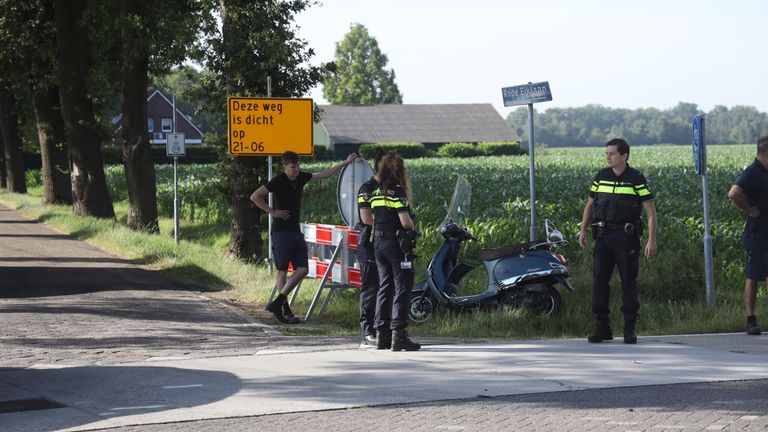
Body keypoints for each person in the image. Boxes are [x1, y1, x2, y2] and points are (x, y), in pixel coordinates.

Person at [251, 150, 357, 324]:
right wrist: (273, 212)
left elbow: (323, 175)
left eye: (298, 165)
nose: (297, 169)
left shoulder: (301, 178)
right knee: (282, 271)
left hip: (295, 232)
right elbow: (255, 196)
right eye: (293, 166)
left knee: (303, 269)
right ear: (284, 167)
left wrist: (344, 163)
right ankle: (284, 309)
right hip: (280, 232)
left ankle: (277, 302)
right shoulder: (278, 181)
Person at [578, 138, 657, 344]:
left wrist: (651, 240)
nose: (608, 157)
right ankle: (602, 327)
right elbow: (590, 205)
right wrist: (583, 229)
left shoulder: (636, 178)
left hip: (626, 237)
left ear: (624, 156)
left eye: (612, 154)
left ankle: (629, 328)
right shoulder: (601, 176)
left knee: (628, 282)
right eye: (606, 154)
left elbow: (650, 212)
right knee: (599, 281)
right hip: (603, 236)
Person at [370, 152, 421, 351]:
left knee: (385, 286)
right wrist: (412, 227)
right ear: (399, 171)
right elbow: (405, 221)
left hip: (378, 243)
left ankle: (382, 335)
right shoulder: (397, 192)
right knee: (402, 286)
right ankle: (399, 335)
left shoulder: (376, 192)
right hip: (395, 244)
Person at [727, 135, 768, 336]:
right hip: (758, 232)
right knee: (753, 275)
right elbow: (734, 193)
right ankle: (751, 319)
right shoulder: (753, 172)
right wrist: (751, 210)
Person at [355, 148, 386, 348]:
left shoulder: (390, 189)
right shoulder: (367, 189)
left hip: (385, 243)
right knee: (371, 287)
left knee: (385, 287)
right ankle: (367, 330)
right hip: (369, 244)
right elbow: (366, 218)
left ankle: (382, 327)